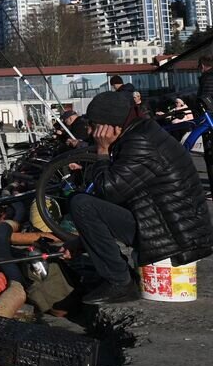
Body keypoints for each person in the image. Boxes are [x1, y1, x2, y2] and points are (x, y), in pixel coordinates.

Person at [68, 91, 213, 304]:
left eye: (94, 125)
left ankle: (120, 283)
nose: (91, 131)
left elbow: (109, 191)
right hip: (172, 227)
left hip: (176, 237)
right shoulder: (142, 132)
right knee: (86, 203)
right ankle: (118, 276)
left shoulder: (140, 142)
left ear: (109, 126)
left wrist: (102, 151)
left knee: (82, 204)